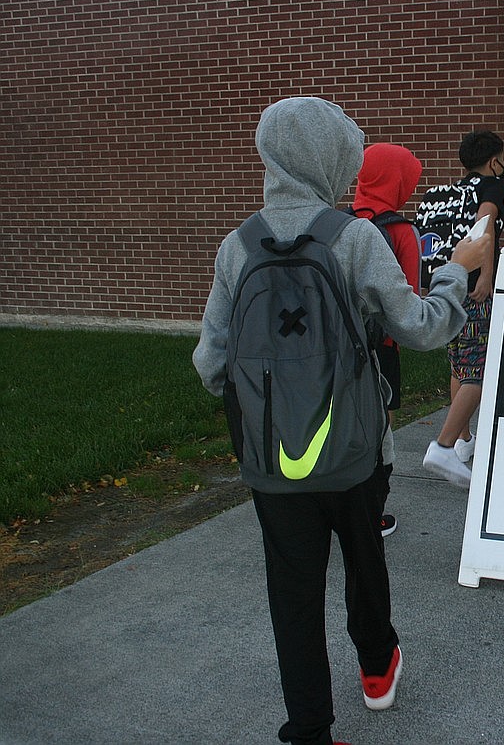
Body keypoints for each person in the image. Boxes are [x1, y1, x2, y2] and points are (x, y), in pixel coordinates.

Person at [192, 96, 488, 745]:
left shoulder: (236, 247)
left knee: (292, 596)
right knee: (364, 562)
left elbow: (211, 365)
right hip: (354, 450)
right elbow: (419, 328)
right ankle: (378, 668)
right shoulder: (353, 238)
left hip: (272, 465)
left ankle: (308, 730)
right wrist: (456, 277)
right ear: (331, 160)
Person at [421, 130, 504, 488]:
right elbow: (483, 227)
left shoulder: (441, 194)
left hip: (444, 285)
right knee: (480, 368)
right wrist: (485, 277)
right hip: (473, 289)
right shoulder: (491, 187)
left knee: (459, 362)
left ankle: (463, 440)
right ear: (493, 161)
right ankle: (443, 445)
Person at [348, 143, 425, 538]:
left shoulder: (339, 223)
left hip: (343, 346)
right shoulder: (401, 231)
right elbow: (407, 306)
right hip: (383, 349)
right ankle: (373, 514)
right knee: (381, 433)